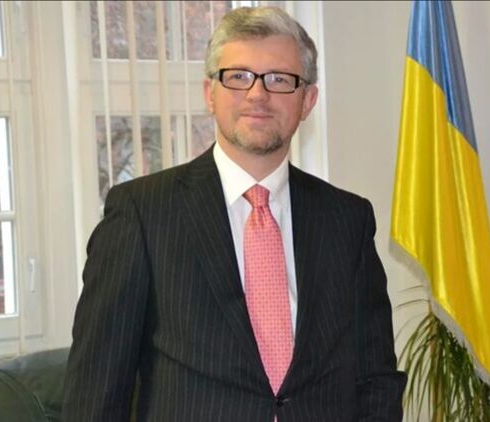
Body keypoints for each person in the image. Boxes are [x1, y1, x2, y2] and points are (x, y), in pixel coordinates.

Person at [63, 6, 406, 421]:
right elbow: (96, 390)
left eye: (279, 79)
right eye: (239, 76)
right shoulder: (142, 213)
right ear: (210, 93)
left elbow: (375, 377)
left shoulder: (348, 220)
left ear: (307, 100)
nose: (258, 94)